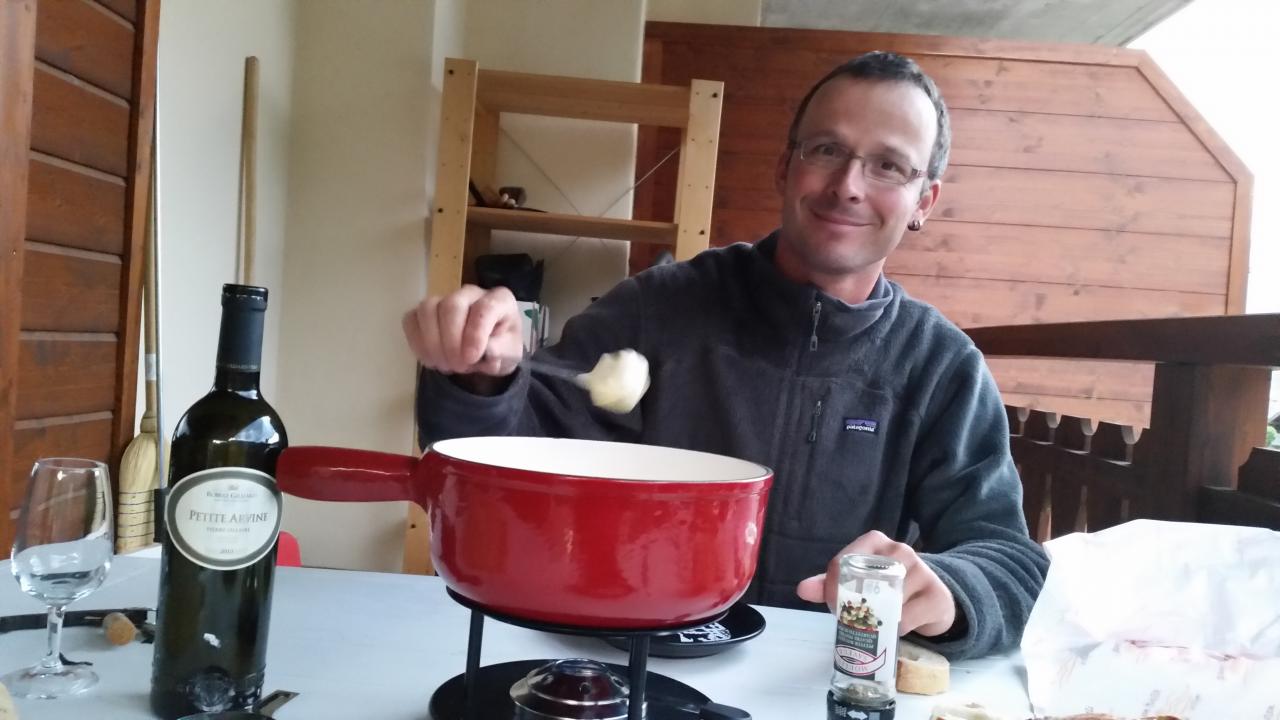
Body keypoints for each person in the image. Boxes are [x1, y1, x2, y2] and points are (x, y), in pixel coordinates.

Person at [403, 51, 1048, 660]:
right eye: (826, 150)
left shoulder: (940, 367)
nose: (848, 185)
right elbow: (508, 459)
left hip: (821, 676)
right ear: (784, 167)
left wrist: (946, 587)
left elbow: (1010, 561)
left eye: (888, 166)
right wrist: (480, 380)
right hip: (625, 661)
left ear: (923, 203)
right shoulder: (659, 308)